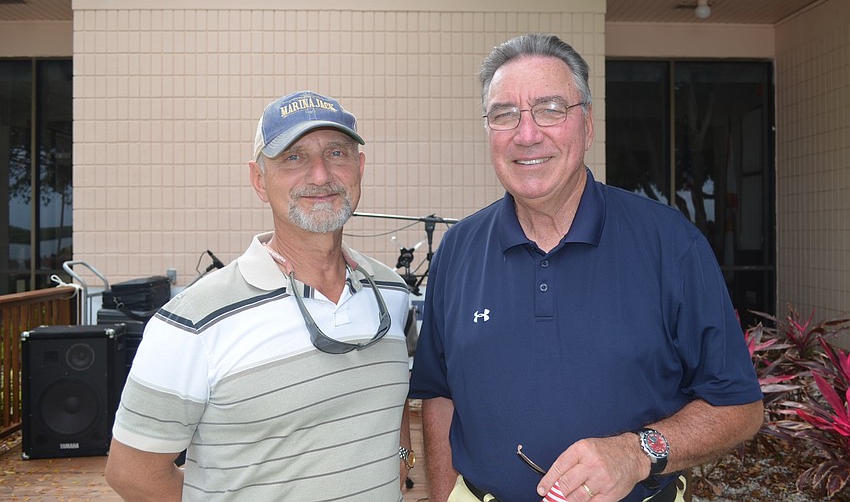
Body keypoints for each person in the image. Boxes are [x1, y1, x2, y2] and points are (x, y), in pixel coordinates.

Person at [408, 34, 764, 502]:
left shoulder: (669, 243)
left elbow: (739, 406)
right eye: (504, 114)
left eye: (551, 109)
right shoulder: (457, 250)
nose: (527, 133)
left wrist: (636, 453)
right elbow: (440, 395)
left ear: (588, 125)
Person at [105, 90, 415, 501]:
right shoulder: (194, 320)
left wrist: (401, 462)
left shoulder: (392, 294)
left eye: (336, 153)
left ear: (359, 167)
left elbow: (396, 402)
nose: (320, 175)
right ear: (258, 180)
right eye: (293, 157)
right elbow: (132, 473)